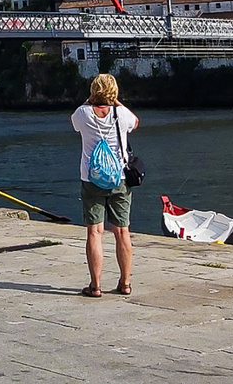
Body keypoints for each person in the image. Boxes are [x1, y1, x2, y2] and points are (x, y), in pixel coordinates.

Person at [71, 72, 139, 298]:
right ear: (114, 92)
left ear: (93, 92)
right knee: (122, 231)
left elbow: (74, 123)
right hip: (119, 178)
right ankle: (125, 283)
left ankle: (95, 285)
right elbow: (135, 122)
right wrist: (115, 101)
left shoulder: (83, 113)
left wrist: (92, 99)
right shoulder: (122, 114)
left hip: (92, 180)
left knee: (95, 231)